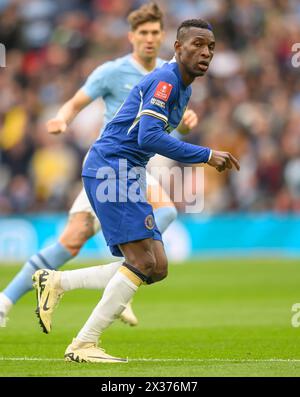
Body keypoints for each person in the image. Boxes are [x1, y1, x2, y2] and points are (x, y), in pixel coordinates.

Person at [33, 18, 240, 363]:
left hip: (126, 171)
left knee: (156, 267)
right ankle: (84, 343)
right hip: (111, 168)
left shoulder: (184, 87)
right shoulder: (165, 80)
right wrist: (206, 155)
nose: (206, 53)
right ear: (177, 47)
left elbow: (149, 138)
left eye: (211, 48)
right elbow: (148, 137)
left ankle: (57, 282)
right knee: (142, 260)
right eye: (198, 45)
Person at [0, 3, 198, 328]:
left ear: (163, 36)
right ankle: (7, 300)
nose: (149, 39)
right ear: (132, 36)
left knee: (167, 213)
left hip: (138, 169)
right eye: (143, 33)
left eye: (154, 33)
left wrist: (187, 123)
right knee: (71, 242)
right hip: (110, 167)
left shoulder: (172, 72)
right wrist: (61, 119)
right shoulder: (112, 71)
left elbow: (172, 126)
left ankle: (123, 279)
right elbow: (76, 102)